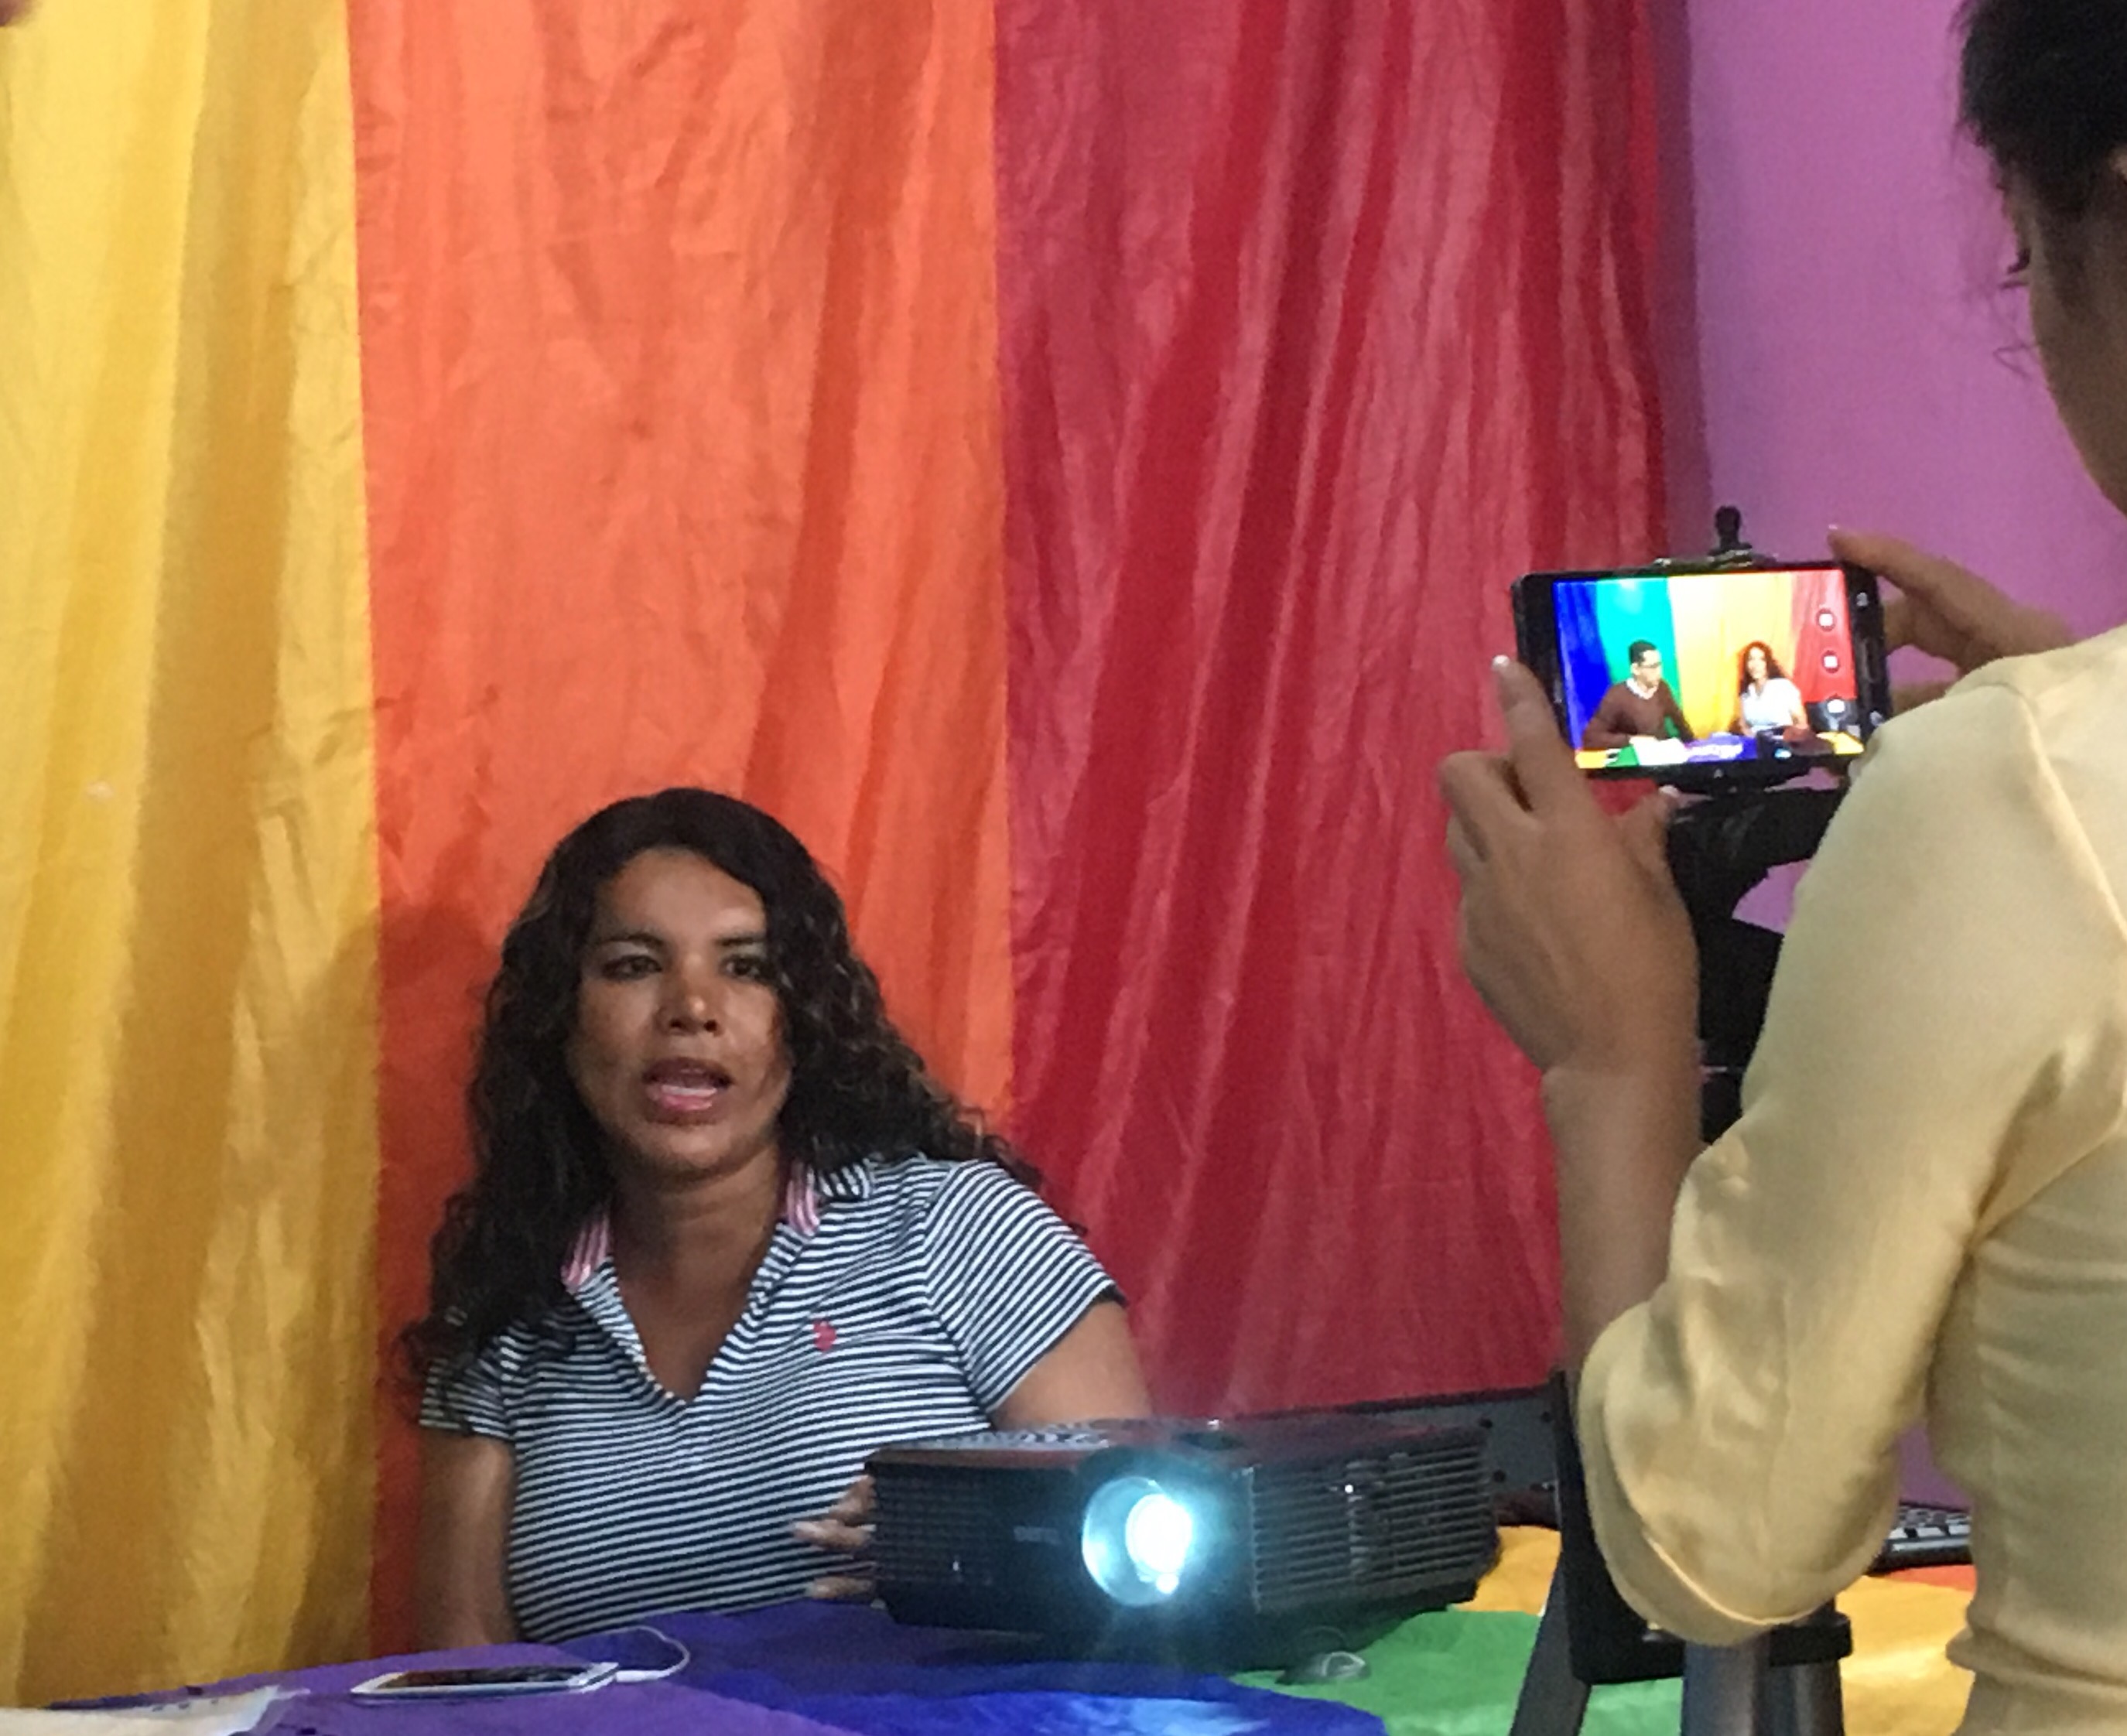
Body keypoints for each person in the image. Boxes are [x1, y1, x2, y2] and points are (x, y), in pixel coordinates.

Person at [1438, 0, 2127, 1724]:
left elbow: (1715, 1545)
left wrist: (1612, 1063)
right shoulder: (2028, 788)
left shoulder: (2008, 796)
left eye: (2022, 259)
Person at [404, 788, 1152, 1645]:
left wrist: (959, 1548)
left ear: (804, 1020)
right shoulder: (506, 1320)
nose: (692, 1006)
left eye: (747, 968)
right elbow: (465, 1682)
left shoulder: (955, 1227)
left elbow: (1141, 1606)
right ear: (559, 1022)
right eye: (634, 965)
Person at [1580, 641, 1696, 750]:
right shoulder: (1616, 697)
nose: (1659, 672)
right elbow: (1591, 738)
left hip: (1664, 752)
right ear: (1636, 669)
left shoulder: (1662, 687)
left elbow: (1679, 721)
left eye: (1660, 665)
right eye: (1653, 667)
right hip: (1635, 757)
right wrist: (1631, 740)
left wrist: (1693, 747)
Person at [1729, 640, 1807, 734]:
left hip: (1781, 738)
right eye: (1751, 659)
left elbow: (1801, 722)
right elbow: (1744, 725)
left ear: (1768, 663)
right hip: (1755, 739)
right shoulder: (1746, 692)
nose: (1756, 664)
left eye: (1761, 659)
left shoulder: (1783, 686)